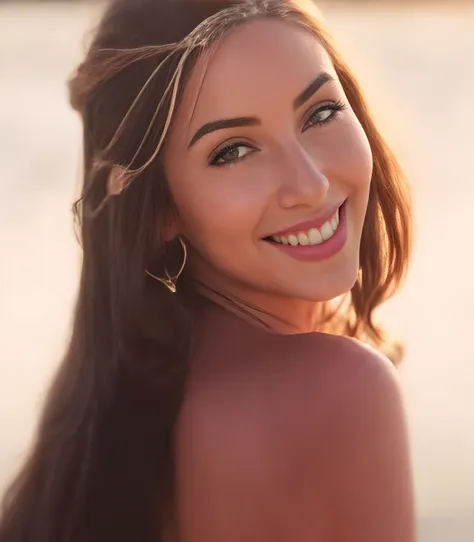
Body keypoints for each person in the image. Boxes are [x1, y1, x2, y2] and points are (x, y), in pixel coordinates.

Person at [0, 0, 416, 541]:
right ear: (160, 208)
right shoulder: (339, 390)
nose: (310, 184)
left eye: (319, 113)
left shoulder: (120, 417)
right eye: (234, 150)